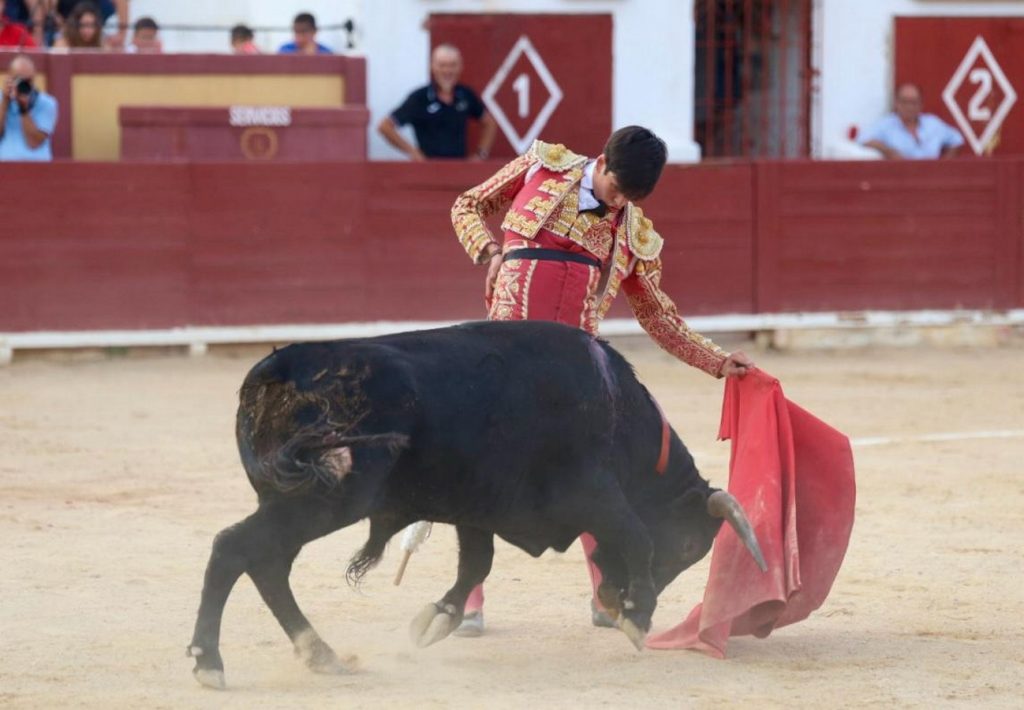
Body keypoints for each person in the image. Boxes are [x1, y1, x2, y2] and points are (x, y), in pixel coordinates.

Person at [449, 125, 754, 636]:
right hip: (503, 357)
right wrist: (489, 252)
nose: (619, 204)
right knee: (482, 471)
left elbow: (658, 316)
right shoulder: (542, 165)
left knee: (595, 476)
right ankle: (467, 600)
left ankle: (606, 595)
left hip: (575, 376)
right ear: (603, 162)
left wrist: (718, 362)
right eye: (616, 190)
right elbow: (468, 206)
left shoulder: (633, 232)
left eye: (630, 198)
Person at [378, 43, 496, 161]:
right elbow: (385, 126)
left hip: (459, 168)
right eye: (442, 65)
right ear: (433, 67)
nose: (447, 70)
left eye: (452, 65)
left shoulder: (465, 95)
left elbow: (489, 123)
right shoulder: (420, 98)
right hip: (429, 168)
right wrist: (413, 152)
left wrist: (481, 154)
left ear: (460, 67)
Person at [861, 83, 963, 159]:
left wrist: (943, 166)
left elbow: (957, 139)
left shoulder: (932, 124)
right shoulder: (886, 124)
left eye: (914, 102)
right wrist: (888, 151)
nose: (909, 107)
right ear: (896, 103)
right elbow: (863, 139)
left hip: (932, 176)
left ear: (921, 104)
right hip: (902, 176)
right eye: (905, 102)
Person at [0, 53, 58, 161]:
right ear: (9, 78)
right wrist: (4, 102)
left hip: (36, 166)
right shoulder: (2, 98)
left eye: (28, 81)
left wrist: (23, 109)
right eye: (18, 79)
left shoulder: (47, 103)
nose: (23, 85)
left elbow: (34, 143)